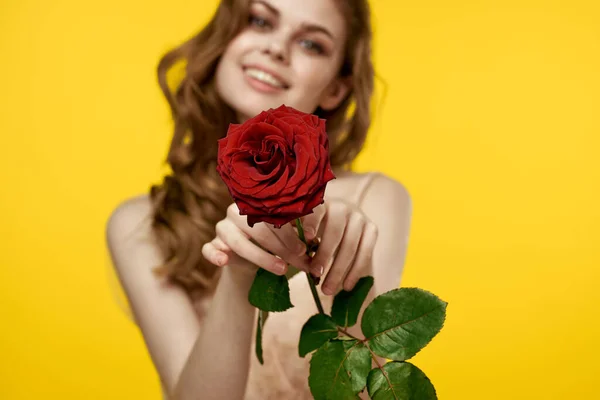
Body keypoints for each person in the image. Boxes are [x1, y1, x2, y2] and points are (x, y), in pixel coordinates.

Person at [105, 0, 412, 398]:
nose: (277, 48)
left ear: (336, 87)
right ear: (225, 35)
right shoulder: (141, 225)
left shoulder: (373, 201)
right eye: (261, 21)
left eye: (311, 44)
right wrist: (239, 275)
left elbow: (362, 391)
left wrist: (352, 268)